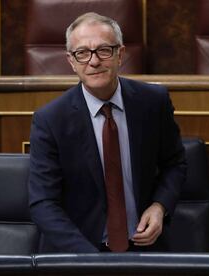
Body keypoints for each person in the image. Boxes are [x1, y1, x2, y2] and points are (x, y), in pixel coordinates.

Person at [28, 12, 187, 253]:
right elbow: (43, 203)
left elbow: (175, 163)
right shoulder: (51, 120)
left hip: (145, 249)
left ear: (120, 54)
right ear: (71, 61)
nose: (93, 61)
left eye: (104, 50)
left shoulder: (153, 103)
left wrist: (159, 206)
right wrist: (91, 261)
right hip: (80, 252)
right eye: (82, 53)